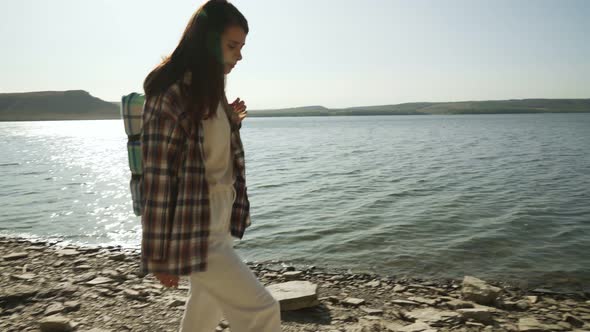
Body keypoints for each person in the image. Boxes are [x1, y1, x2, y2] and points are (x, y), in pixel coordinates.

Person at [140, 1, 281, 331]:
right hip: (196, 227)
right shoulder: (170, 93)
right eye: (233, 46)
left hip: (218, 216)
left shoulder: (210, 88)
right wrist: (159, 253)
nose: (240, 56)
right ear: (207, 39)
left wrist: (229, 121)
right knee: (262, 311)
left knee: (205, 305)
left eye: (242, 47)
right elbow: (158, 176)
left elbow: (208, 154)